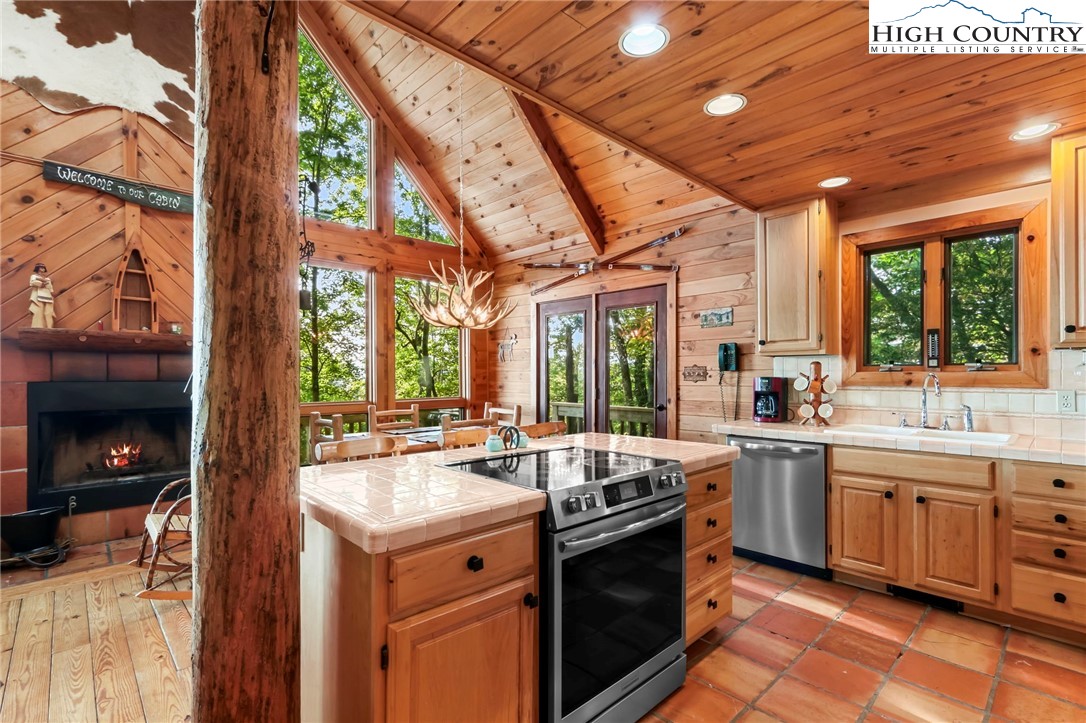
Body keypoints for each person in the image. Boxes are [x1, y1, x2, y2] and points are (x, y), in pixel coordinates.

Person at [29, 262, 55, 328]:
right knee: (38, 311)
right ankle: (37, 326)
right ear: (37, 268)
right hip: (38, 296)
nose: (42, 269)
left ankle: (48, 326)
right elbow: (32, 283)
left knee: (48, 312)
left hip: (47, 295)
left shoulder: (47, 278)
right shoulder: (34, 276)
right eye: (41, 268)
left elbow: (50, 287)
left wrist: (51, 292)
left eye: (43, 268)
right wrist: (40, 283)